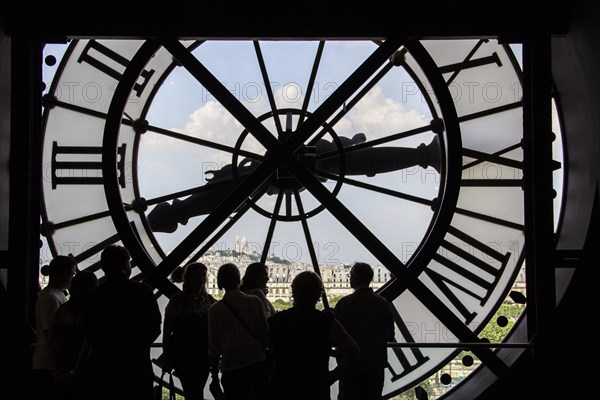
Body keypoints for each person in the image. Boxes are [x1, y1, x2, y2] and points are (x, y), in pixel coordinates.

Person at [82, 244, 161, 400]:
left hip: (102, 369)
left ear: (104, 267)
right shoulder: (143, 292)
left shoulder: (93, 297)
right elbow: (154, 328)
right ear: (126, 265)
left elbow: (90, 332)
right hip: (136, 368)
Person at [268, 271, 359, 400]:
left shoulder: (277, 321)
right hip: (316, 388)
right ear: (319, 295)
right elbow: (352, 351)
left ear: (294, 292)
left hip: (283, 386)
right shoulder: (327, 322)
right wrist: (332, 376)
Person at [334, 262, 395, 400]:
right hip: (375, 367)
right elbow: (389, 336)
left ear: (354, 278)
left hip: (351, 369)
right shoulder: (383, 304)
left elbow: (335, 336)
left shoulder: (344, 304)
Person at [208, 263, 269, 400]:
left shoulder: (214, 310)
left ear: (220, 283)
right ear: (238, 279)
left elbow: (214, 348)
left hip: (231, 368)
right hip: (256, 364)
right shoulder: (255, 301)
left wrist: (214, 376)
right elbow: (265, 334)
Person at [162, 262, 216, 400]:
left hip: (183, 355)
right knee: (196, 390)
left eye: (202, 275)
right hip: (203, 355)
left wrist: (167, 357)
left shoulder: (177, 300)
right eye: (199, 275)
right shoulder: (209, 301)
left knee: (192, 390)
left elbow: (167, 331)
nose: (201, 278)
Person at [30, 255, 78, 400]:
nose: (73, 278)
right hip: (50, 365)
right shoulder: (53, 298)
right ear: (65, 274)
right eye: (73, 274)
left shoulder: (50, 296)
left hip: (46, 364)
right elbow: (51, 335)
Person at [49, 269, 98, 400]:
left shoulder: (62, 311)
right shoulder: (91, 313)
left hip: (62, 370)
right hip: (86, 374)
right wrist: (75, 371)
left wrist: (56, 369)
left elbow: (51, 341)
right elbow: (88, 344)